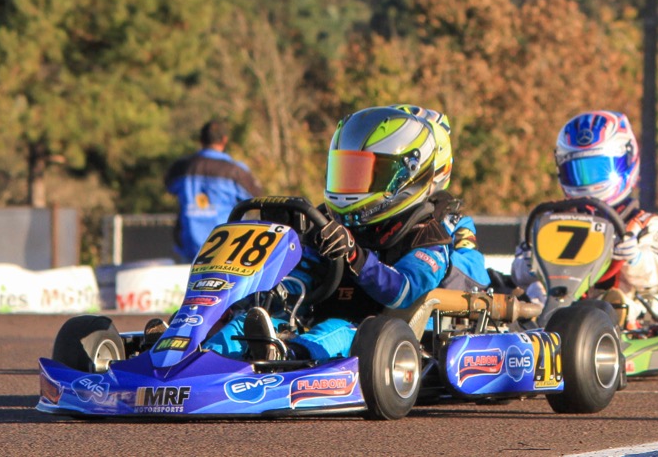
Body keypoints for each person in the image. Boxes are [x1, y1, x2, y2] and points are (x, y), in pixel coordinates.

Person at [204, 105, 489, 362]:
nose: (352, 185)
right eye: (347, 172)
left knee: (337, 329)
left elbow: (403, 292)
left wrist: (355, 256)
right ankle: (197, 359)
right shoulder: (329, 221)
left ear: (405, 177)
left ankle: (286, 357)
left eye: (364, 174)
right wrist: (269, 292)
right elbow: (305, 273)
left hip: (377, 334)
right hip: (316, 319)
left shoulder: (429, 233)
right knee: (249, 322)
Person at [511, 110, 658, 326]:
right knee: (534, 289)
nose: (588, 181)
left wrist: (635, 258)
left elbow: (656, 275)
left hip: (613, 306)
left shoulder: (641, 224)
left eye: (597, 170)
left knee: (618, 299)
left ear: (626, 160)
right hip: (556, 299)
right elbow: (518, 272)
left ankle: (608, 318)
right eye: (578, 171)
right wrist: (531, 265)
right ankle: (534, 324)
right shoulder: (552, 219)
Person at [165, 120, 263, 262]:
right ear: (225, 140)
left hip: (190, 250)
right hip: (226, 250)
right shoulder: (236, 171)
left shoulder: (180, 168)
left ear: (201, 140)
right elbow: (258, 199)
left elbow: (169, 187)